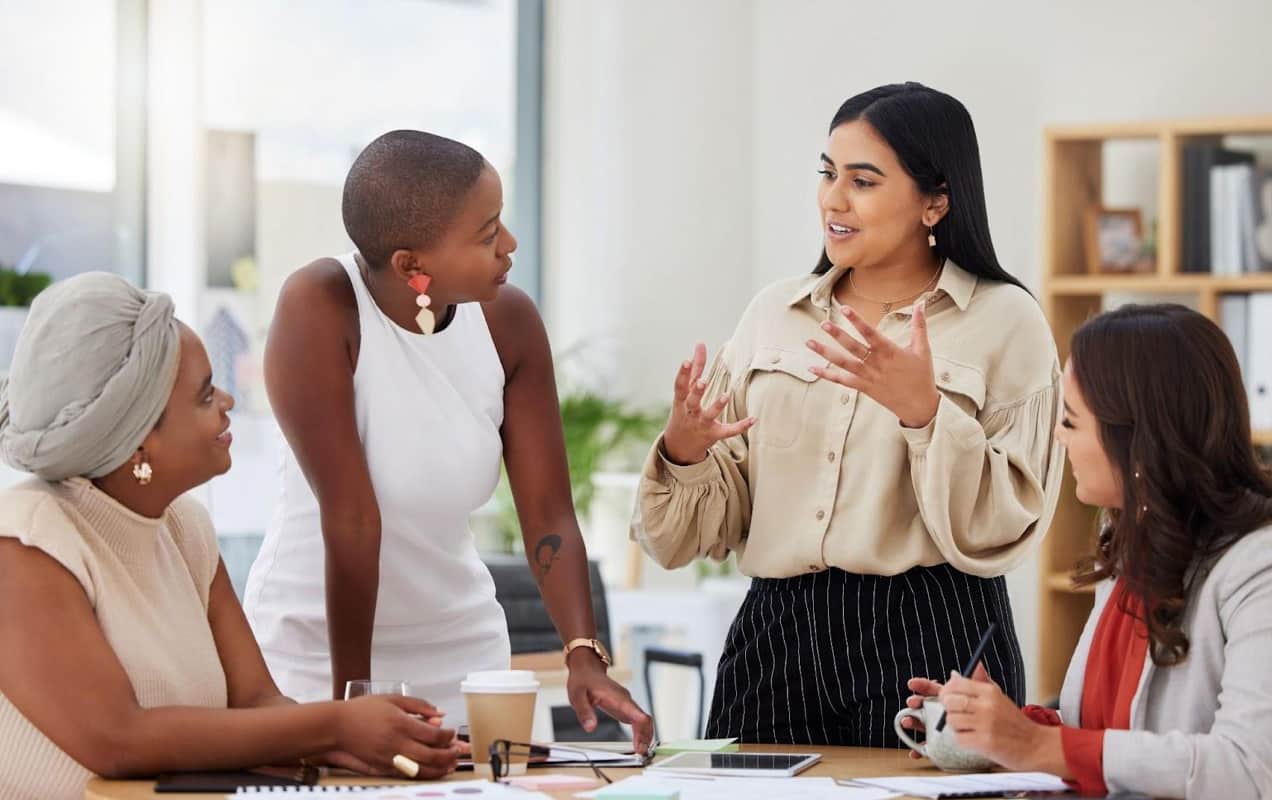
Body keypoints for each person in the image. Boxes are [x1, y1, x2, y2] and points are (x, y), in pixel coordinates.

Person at [633, 82, 1065, 747]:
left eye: (862, 181)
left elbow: (1006, 522)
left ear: (936, 201)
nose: (833, 199)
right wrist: (685, 453)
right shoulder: (773, 314)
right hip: (776, 634)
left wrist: (925, 414)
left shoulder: (1005, 321)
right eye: (828, 174)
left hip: (932, 628)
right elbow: (701, 532)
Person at [242, 130, 652, 748]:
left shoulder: (508, 322)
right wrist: (351, 703)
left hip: (466, 656)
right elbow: (352, 518)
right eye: (488, 235)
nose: (509, 246)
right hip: (317, 654)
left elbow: (547, 512)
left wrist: (582, 654)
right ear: (413, 265)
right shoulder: (322, 305)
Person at [0, 273, 463, 800]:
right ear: (137, 443)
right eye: (202, 397)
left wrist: (364, 748)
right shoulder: (27, 541)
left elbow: (258, 703)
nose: (226, 400)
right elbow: (116, 739)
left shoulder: (186, 528)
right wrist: (337, 726)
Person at [905, 304, 1272, 799]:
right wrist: (1000, 731)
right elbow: (1104, 729)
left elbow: (1248, 770)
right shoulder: (1134, 542)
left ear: (1137, 438)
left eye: (1071, 421)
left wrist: (1035, 745)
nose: (1058, 436)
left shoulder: (1257, 565)